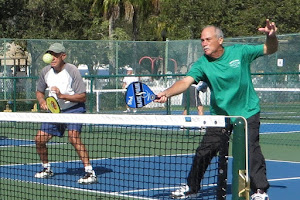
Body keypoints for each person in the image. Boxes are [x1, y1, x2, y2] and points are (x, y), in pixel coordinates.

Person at [155, 19, 278, 199]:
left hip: (247, 112)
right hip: (220, 117)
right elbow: (185, 82)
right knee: (204, 151)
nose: (204, 43)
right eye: (202, 40)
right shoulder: (201, 64)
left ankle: (259, 190)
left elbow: (270, 49)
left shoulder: (240, 52)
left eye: (207, 39)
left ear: (220, 40)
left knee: (251, 150)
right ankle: (192, 187)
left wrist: (271, 36)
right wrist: (167, 93)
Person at [34, 43, 97, 184]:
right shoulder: (45, 71)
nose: (53, 58)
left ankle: (90, 172)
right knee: (39, 140)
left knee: (73, 137)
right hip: (55, 112)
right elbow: (39, 91)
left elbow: (82, 96)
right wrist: (42, 100)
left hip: (74, 109)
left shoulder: (72, 70)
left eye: (56, 55)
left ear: (63, 56)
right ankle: (46, 169)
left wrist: (63, 96)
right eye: (51, 54)